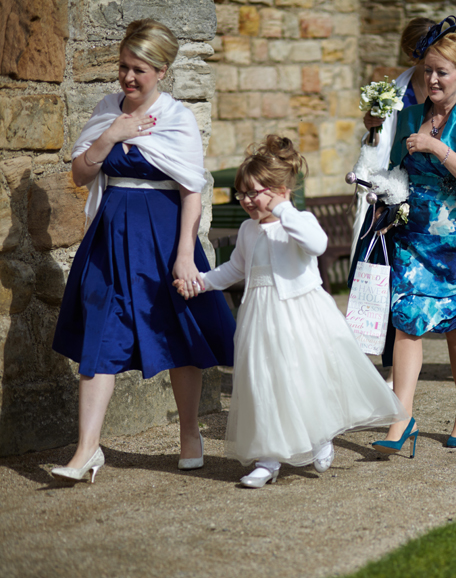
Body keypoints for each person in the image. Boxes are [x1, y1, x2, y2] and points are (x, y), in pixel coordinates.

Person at [50, 19, 235, 484]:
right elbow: (80, 173)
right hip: (110, 237)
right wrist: (113, 133)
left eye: (139, 70)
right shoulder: (108, 109)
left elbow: (192, 188)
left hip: (164, 234)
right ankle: (86, 450)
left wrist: (185, 254)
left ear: (162, 71)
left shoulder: (178, 118)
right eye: (123, 67)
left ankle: (190, 434)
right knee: (99, 336)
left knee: (179, 334)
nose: (128, 78)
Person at [176, 136, 406, 487]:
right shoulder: (248, 229)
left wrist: (283, 208)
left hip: (302, 313)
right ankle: (268, 459)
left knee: (305, 377)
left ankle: (320, 435)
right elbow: (236, 270)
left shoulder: (299, 220)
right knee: (265, 383)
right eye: (243, 195)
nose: (248, 201)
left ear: (280, 189)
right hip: (260, 316)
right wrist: (201, 282)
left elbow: (317, 244)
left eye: (256, 193)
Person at [370, 20, 456, 455]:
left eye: (443, 72)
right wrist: (383, 197)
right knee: (407, 323)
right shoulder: (408, 115)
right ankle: (401, 417)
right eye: (428, 70)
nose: (432, 79)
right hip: (414, 236)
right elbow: (395, 172)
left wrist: (436, 148)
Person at [349, 16, 456, 387]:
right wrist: (371, 121)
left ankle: (409, 370)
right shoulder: (395, 89)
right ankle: (389, 364)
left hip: (437, 201)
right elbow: (379, 138)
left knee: (433, 286)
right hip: (390, 189)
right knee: (384, 273)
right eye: (421, 56)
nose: (426, 67)